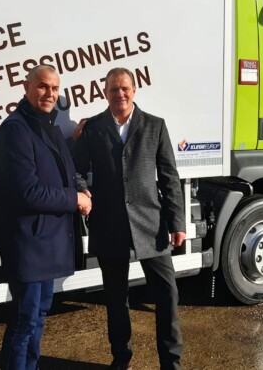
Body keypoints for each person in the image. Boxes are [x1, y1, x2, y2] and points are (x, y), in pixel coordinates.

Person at [73, 67, 186, 370]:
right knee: (115, 298)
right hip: (109, 224)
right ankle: (121, 359)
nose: (119, 94)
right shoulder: (93, 128)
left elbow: (169, 177)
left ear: (134, 90)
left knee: (167, 294)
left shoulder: (155, 125)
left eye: (125, 88)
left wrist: (177, 222)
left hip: (151, 224)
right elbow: (76, 169)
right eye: (113, 89)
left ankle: (171, 363)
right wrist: (83, 190)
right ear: (105, 92)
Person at [0, 64, 92, 370]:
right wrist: (74, 199)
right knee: (24, 321)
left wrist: (80, 187)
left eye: (54, 88)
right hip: (29, 244)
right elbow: (28, 192)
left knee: (37, 317)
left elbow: (62, 170)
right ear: (26, 88)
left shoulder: (47, 126)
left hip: (46, 243)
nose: (49, 93)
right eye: (42, 86)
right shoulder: (16, 129)